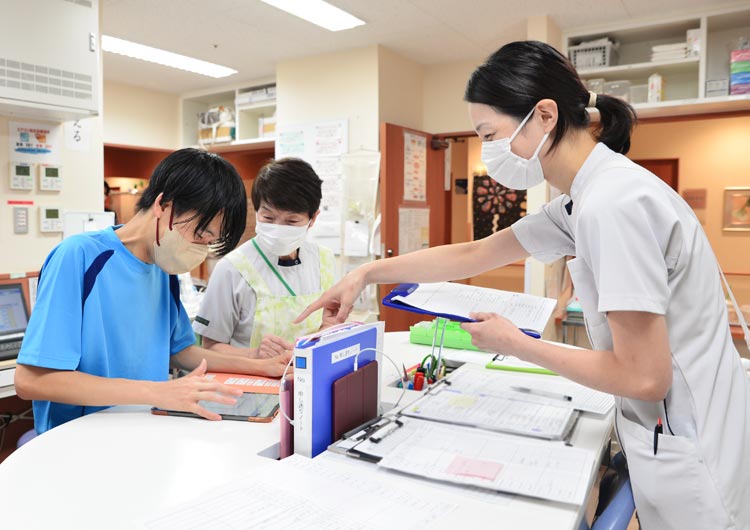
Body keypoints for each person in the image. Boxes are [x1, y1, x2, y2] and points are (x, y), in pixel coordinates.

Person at [297, 41, 750, 529]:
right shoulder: (584, 199)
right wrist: (364, 273)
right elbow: (475, 253)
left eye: (489, 134)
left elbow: (645, 376)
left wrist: (514, 344)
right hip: (671, 432)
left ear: (545, 115)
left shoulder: (613, 204)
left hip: (693, 450)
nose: (489, 151)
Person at [15, 148, 291, 434]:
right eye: (200, 234)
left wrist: (259, 364)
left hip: (146, 432)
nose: (200, 249)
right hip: (80, 441)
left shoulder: (164, 268)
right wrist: (159, 392)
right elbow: (32, 380)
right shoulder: (79, 257)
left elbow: (180, 352)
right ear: (163, 205)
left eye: (210, 241)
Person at [193, 157, 336, 359]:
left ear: (313, 219)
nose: (278, 229)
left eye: (292, 221)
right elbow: (210, 348)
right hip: (251, 386)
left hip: (308, 381)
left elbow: (330, 324)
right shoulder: (232, 268)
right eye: (268, 218)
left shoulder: (325, 261)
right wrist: (255, 355)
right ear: (257, 210)